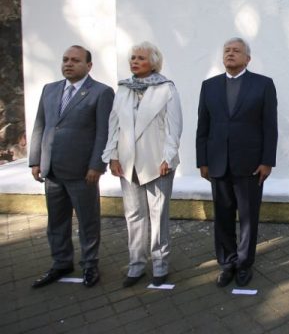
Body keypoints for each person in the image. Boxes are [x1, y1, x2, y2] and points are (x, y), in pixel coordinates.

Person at [28, 45, 115, 288]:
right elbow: (40, 125)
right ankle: (61, 262)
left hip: (83, 172)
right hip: (52, 170)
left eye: (75, 60)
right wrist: (35, 160)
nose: (68, 64)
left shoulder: (101, 92)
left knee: (88, 222)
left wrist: (97, 165)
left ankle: (90, 265)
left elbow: (104, 132)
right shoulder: (50, 89)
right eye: (65, 59)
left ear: (89, 65)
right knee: (56, 222)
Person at [196, 37, 278, 288]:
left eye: (236, 51)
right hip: (218, 163)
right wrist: (202, 161)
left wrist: (267, 161)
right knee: (222, 216)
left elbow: (270, 126)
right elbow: (203, 127)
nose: (230, 54)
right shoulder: (209, 86)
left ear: (247, 59)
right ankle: (227, 263)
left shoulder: (263, 85)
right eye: (227, 51)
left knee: (248, 218)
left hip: (250, 164)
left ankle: (244, 264)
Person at [102, 42, 182, 287]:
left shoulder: (166, 88)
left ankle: (160, 264)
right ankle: (136, 265)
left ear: (154, 63)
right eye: (133, 58)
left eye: (141, 58)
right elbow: (114, 124)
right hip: (128, 163)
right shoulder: (123, 89)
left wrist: (168, 157)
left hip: (157, 162)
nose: (134, 61)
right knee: (134, 215)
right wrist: (113, 155)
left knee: (158, 215)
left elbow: (174, 127)